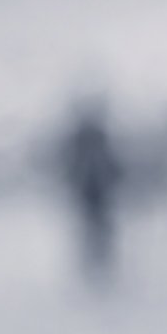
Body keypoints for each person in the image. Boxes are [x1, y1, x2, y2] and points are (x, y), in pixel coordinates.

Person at [57, 97, 126, 293]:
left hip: (98, 192)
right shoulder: (85, 138)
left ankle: (101, 267)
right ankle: (94, 268)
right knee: (92, 230)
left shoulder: (96, 137)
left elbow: (111, 164)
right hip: (89, 192)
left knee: (99, 230)